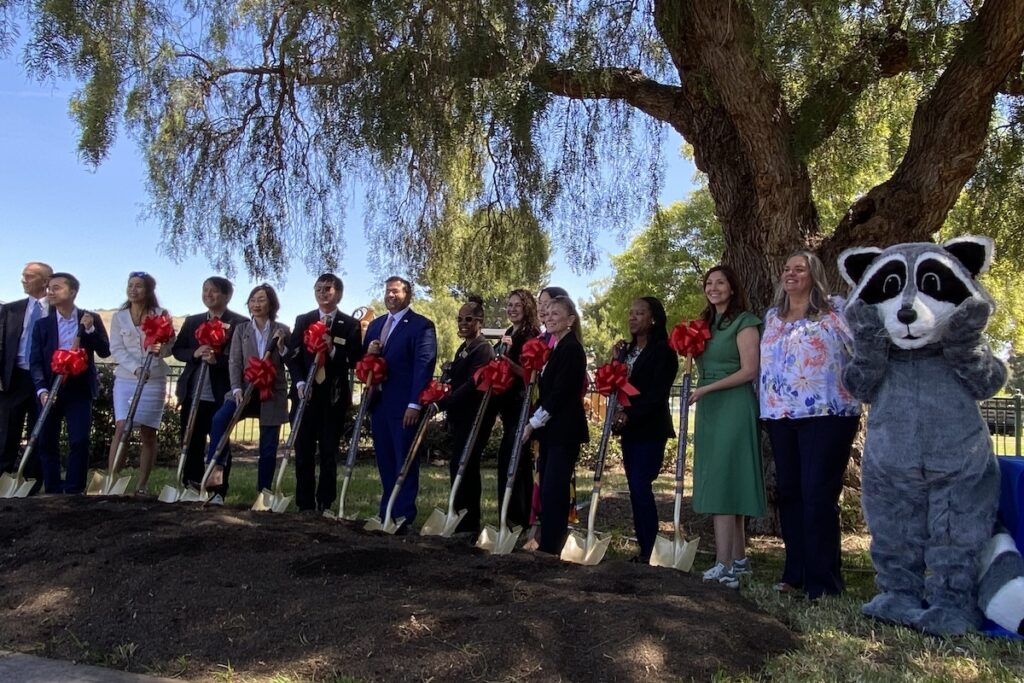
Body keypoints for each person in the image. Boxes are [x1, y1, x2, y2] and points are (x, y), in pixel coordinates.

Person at [759, 251, 861, 599]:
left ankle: (824, 583)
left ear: (814, 275)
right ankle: (796, 574)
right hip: (780, 415)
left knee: (817, 494)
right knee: (790, 493)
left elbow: (861, 350)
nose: (790, 274)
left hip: (828, 413)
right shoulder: (773, 317)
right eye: (786, 268)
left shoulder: (835, 311)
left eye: (799, 269)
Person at [688, 267, 765, 588]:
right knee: (723, 476)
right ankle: (739, 559)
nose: (714, 287)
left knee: (724, 479)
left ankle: (724, 565)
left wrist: (707, 388)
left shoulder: (745, 322)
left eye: (720, 282)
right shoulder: (704, 324)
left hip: (733, 403)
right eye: (709, 283)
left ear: (732, 288)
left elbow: (750, 370)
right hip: (710, 408)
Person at [363, 276, 437, 531]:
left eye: (395, 291)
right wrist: (369, 353)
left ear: (408, 295)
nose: (390, 295)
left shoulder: (421, 326)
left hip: (404, 406)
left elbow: (423, 366)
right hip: (380, 404)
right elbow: (365, 363)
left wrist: (415, 404)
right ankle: (387, 512)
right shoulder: (376, 325)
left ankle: (403, 515)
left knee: (403, 460)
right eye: (387, 291)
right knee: (385, 461)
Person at [205, 284, 290, 504]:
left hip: (271, 392)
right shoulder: (241, 329)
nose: (256, 304)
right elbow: (234, 361)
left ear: (271, 304)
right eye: (253, 300)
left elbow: (290, 360)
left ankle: (263, 494)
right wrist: (236, 388)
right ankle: (216, 486)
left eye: (261, 300)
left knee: (268, 446)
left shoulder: (282, 329)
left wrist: (282, 346)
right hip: (244, 389)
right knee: (219, 420)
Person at [287, 273, 363, 513]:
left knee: (329, 452)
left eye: (327, 289)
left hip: (333, 398)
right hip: (305, 396)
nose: (322, 293)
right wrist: (300, 383)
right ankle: (304, 503)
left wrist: (332, 350)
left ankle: (325, 502)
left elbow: (354, 359)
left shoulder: (349, 325)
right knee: (303, 451)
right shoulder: (304, 320)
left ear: (338, 293)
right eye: (318, 289)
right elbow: (292, 356)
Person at [29, 272, 110, 493]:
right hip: (50, 389)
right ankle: (53, 489)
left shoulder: (90, 318)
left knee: (79, 440)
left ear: (72, 292)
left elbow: (104, 351)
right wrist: (41, 390)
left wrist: (90, 330)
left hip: (79, 389)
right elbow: (35, 361)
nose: (50, 292)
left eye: (56, 287)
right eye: (49, 288)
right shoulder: (42, 325)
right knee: (47, 441)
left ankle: (74, 490)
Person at [611, 297, 678, 563]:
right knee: (634, 487)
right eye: (631, 312)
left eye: (639, 313)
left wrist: (630, 414)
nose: (632, 317)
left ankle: (650, 547)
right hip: (629, 430)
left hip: (650, 428)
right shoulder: (626, 351)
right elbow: (617, 383)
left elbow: (656, 394)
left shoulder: (663, 351)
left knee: (641, 484)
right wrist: (615, 361)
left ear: (653, 319)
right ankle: (643, 547)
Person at [521, 295, 589, 554]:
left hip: (564, 431)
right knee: (548, 489)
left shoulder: (571, 349)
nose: (549, 318)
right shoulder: (557, 347)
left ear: (570, 320)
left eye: (555, 314)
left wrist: (533, 423)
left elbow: (561, 394)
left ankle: (551, 545)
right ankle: (548, 543)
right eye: (547, 314)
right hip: (551, 432)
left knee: (554, 489)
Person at [171, 277, 247, 489]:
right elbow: (178, 350)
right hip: (193, 393)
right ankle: (191, 484)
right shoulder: (193, 321)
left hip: (221, 394)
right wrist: (194, 353)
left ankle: (216, 490)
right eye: (205, 290)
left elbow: (241, 359)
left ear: (227, 295)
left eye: (214, 291)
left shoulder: (239, 323)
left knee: (219, 444)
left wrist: (217, 360)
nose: (208, 295)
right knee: (190, 440)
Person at [108, 272, 176, 495]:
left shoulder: (160, 314)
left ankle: (142, 485)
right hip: (127, 379)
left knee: (148, 432)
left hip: (153, 380)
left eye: (138, 286)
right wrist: (136, 368)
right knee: (122, 428)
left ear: (148, 290)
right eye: (130, 285)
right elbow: (116, 348)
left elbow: (170, 346)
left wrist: (160, 350)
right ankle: (111, 480)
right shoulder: (119, 317)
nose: (133, 290)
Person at [433, 295, 495, 535]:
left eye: (468, 319)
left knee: (466, 466)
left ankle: (469, 523)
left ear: (480, 322)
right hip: (459, 417)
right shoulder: (464, 348)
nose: (463, 323)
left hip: (474, 417)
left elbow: (472, 384)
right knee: (457, 465)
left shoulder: (483, 349)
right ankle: (457, 515)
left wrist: (444, 403)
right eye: (459, 319)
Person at [492, 289, 542, 530]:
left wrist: (509, 364)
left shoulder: (531, 336)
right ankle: (513, 517)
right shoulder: (509, 333)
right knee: (511, 460)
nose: (512, 309)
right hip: (508, 406)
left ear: (527, 308)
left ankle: (518, 517)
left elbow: (532, 375)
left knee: (514, 460)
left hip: (523, 405)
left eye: (517, 305)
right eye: (509, 305)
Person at [0, 262, 52, 492]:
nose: (24, 280)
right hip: (14, 378)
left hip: (44, 380)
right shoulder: (10, 310)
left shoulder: (57, 310)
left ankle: (30, 485)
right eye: (23, 276)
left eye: (29, 276)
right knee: (6, 432)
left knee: (38, 432)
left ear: (45, 281)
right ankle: (2, 479)